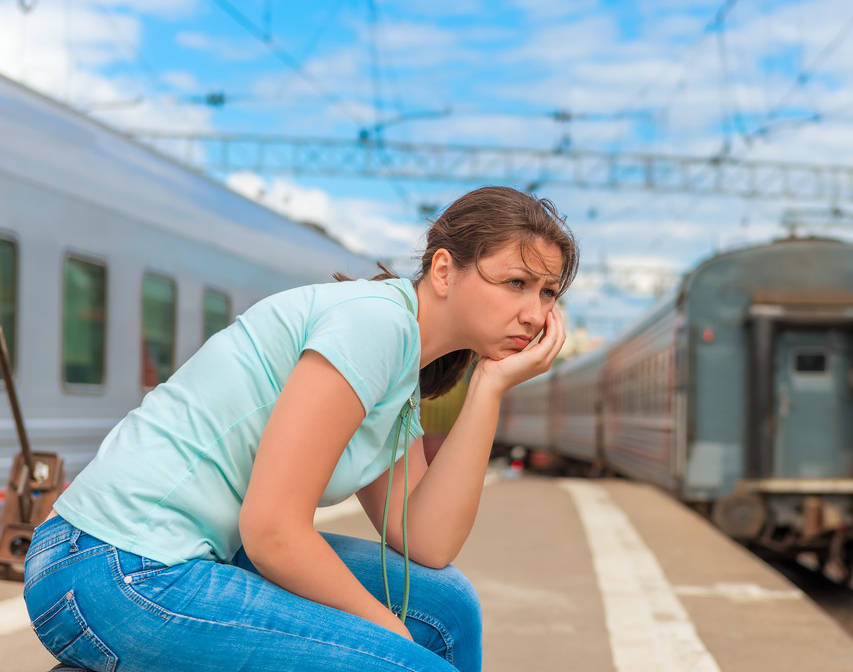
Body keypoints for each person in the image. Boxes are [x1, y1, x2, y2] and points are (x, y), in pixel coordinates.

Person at [22, 186, 578, 672]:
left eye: (547, 293)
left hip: (183, 557)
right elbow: (272, 530)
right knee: (403, 661)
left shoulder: (403, 363)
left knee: (447, 605)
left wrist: (490, 388)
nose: (534, 313)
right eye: (515, 282)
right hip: (115, 568)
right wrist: (388, 636)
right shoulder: (374, 324)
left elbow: (424, 542)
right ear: (442, 271)